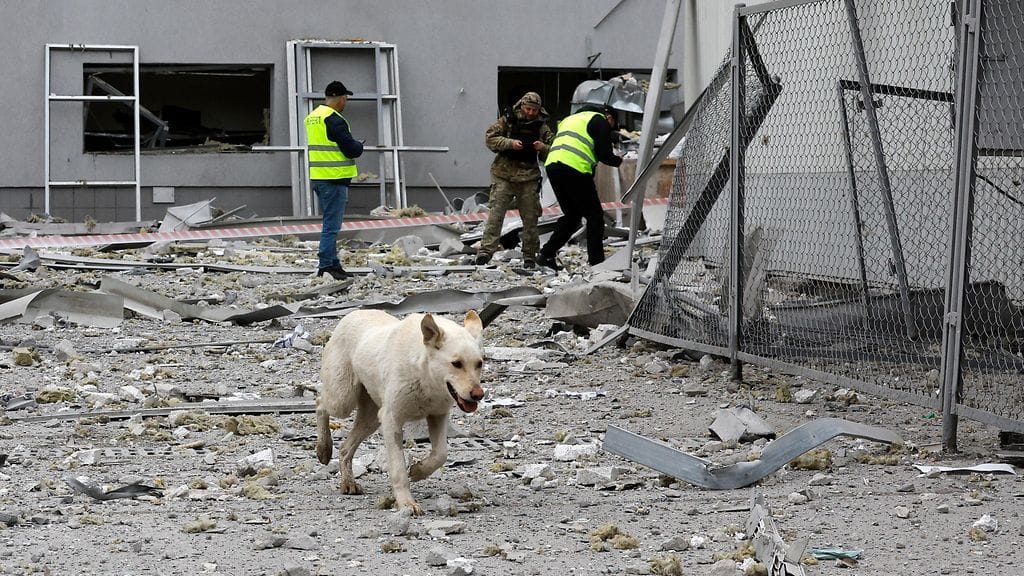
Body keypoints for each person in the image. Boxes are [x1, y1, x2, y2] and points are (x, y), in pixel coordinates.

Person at [537, 105, 623, 270]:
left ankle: (546, 254)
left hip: (553, 166)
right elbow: (604, 154)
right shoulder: (599, 120)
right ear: (610, 117)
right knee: (595, 216)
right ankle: (597, 263)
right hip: (574, 167)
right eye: (612, 125)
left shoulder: (570, 120)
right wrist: (619, 160)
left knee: (572, 216)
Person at [475, 92, 553, 268]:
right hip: (504, 175)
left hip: (529, 177)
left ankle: (530, 256)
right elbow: (490, 138)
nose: (531, 113)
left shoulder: (541, 127)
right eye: (528, 109)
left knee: (531, 218)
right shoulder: (508, 121)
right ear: (521, 106)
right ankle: (486, 252)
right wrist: (510, 143)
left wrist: (543, 147)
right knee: (496, 215)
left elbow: (556, 147)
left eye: (534, 110)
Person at [305, 80, 364, 280]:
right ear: (340, 98)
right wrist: (359, 145)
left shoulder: (313, 117)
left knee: (329, 222)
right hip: (334, 179)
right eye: (345, 98)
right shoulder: (334, 119)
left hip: (319, 178)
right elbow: (351, 149)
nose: (345, 102)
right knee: (331, 225)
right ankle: (326, 265)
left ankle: (333, 263)